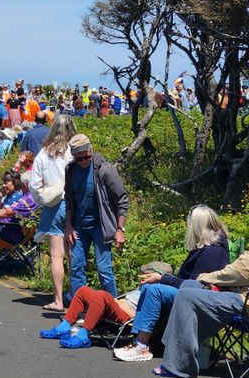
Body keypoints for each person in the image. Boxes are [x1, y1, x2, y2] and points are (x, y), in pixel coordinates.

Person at [154, 205, 249, 378]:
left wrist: (202, 278)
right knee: (189, 287)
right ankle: (175, 351)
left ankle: (178, 368)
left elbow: (228, 274)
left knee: (187, 295)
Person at [111, 205, 230, 361]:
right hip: (191, 294)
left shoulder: (213, 252)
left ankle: (142, 346)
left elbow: (195, 285)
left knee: (155, 290)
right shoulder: (205, 248)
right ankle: (144, 340)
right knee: (149, 287)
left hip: (201, 299)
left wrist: (163, 279)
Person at [65, 133, 129, 297]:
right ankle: (79, 309)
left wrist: (120, 229)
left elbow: (122, 199)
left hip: (101, 227)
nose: (84, 162)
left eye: (86, 157)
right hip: (79, 227)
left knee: (104, 270)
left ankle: (112, 308)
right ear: (73, 157)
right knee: (76, 268)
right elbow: (69, 200)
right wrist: (68, 227)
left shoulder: (104, 169)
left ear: (91, 151)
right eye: (79, 159)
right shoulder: (71, 170)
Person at [29, 115, 77, 312]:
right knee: (74, 254)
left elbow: (34, 185)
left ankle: (58, 300)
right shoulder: (74, 151)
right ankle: (76, 296)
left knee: (57, 256)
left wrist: (43, 200)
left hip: (54, 206)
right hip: (74, 206)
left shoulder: (44, 153)